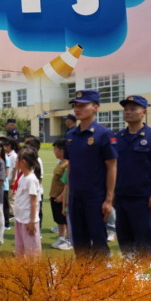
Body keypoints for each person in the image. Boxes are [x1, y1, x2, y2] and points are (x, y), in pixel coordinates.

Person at [63, 90, 118, 256]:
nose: (77, 109)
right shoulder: (70, 135)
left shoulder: (104, 134)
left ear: (96, 107)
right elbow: (70, 166)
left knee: (98, 241)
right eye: (76, 105)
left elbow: (112, 167)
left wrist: (109, 199)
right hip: (75, 197)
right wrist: (68, 196)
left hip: (95, 197)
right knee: (79, 243)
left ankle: (102, 272)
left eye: (83, 105)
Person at [114, 95, 151, 255]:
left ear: (144, 112)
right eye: (125, 109)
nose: (128, 112)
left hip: (143, 198)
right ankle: (129, 268)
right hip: (121, 197)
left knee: (143, 238)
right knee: (124, 237)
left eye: (133, 109)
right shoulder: (117, 138)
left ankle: (145, 269)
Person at [13, 148, 42, 257]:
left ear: (23, 162)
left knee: (32, 251)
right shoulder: (22, 177)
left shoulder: (31, 179)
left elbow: (34, 202)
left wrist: (32, 221)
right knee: (20, 247)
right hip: (20, 218)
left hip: (28, 220)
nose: (15, 161)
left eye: (17, 159)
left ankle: (34, 268)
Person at [49, 139, 71, 250]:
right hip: (55, 196)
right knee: (59, 219)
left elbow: (67, 184)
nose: (54, 151)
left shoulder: (67, 164)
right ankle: (61, 238)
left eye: (55, 149)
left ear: (62, 151)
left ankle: (69, 239)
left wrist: (62, 197)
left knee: (66, 220)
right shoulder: (60, 163)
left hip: (61, 197)